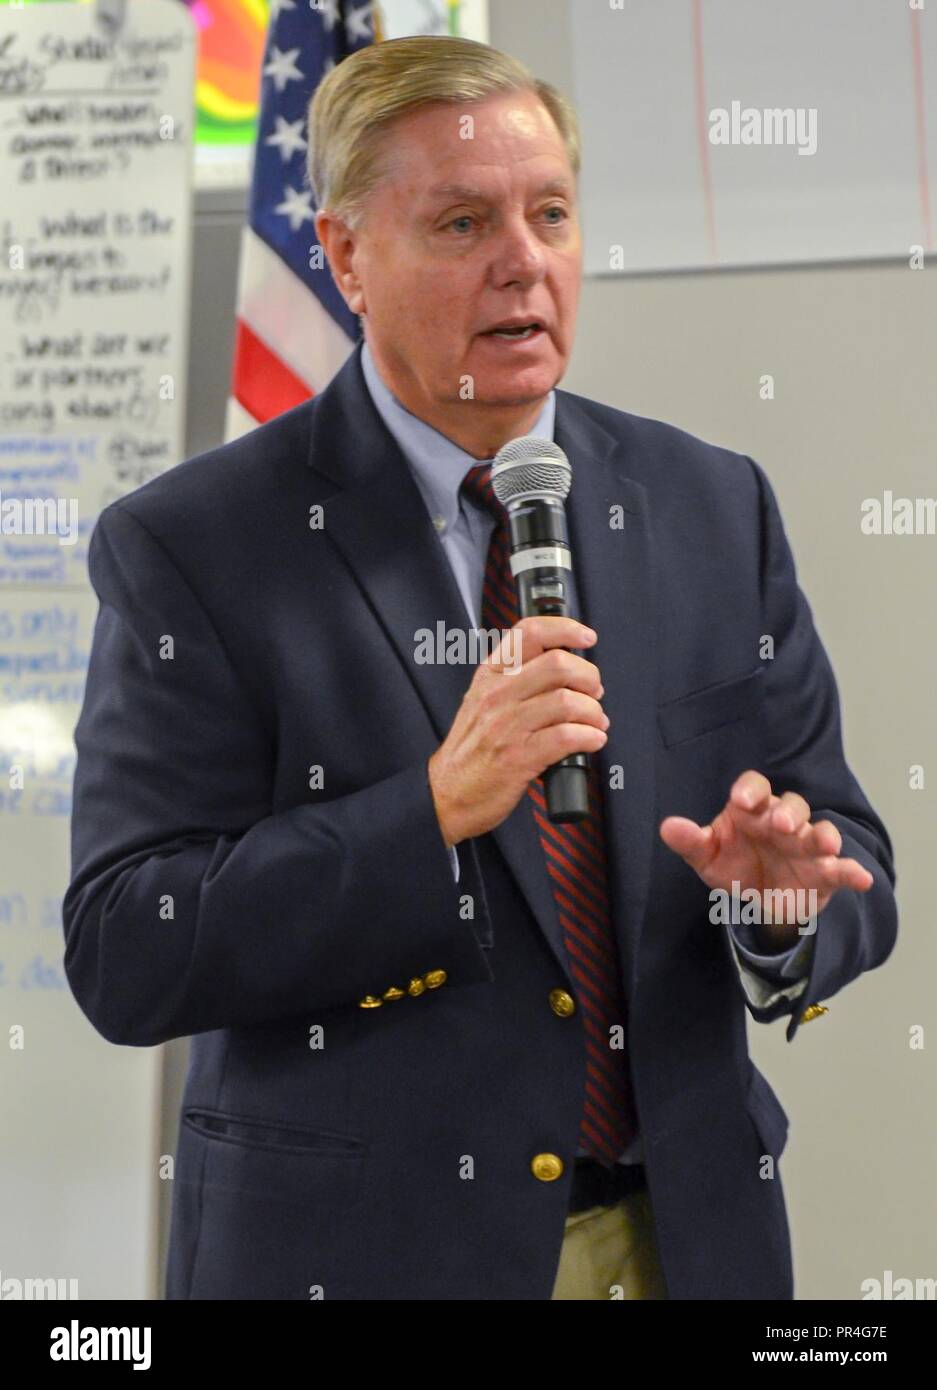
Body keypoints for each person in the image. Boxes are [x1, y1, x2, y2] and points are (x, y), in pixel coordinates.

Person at [62, 36, 897, 1301]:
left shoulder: (710, 504)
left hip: (689, 1244)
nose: (524, 261)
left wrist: (778, 910)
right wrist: (430, 811)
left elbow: (849, 854)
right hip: (366, 1259)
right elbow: (128, 945)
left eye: (549, 214)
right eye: (462, 223)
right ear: (344, 257)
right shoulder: (195, 545)